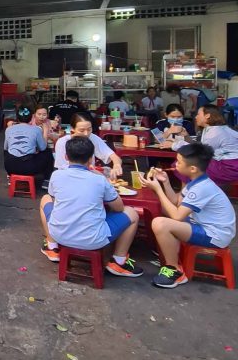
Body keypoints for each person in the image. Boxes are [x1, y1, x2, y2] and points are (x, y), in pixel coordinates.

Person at [39, 135, 141, 276]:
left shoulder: (56, 175)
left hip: (59, 234)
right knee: (132, 213)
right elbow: (119, 208)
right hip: (94, 240)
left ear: (66, 157)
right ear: (91, 158)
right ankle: (118, 261)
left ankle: (52, 246)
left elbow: (55, 200)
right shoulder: (100, 180)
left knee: (45, 199)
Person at [141, 142, 236, 289]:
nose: (176, 164)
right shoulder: (196, 182)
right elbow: (176, 203)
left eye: (179, 162)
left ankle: (174, 270)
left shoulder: (201, 188)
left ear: (192, 168)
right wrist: (165, 182)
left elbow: (177, 216)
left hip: (215, 234)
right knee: (165, 213)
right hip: (206, 226)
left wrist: (158, 190)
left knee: (160, 223)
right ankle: (172, 254)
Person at [54, 112, 123, 178]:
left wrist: (117, 165)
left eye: (89, 129)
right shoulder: (62, 142)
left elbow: (112, 156)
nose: (86, 133)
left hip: (90, 177)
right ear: (72, 128)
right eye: (81, 130)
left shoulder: (92, 138)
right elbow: (61, 168)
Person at [4, 106, 53, 185]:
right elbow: (43, 148)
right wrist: (46, 130)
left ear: (17, 117)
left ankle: (10, 177)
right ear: (31, 118)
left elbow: (6, 148)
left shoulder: (9, 129)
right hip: (29, 168)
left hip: (10, 166)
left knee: (7, 152)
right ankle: (46, 180)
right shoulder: (36, 129)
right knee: (47, 152)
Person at [195, 105, 238, 186]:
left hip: (229, 168)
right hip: (231, 166)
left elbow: (202, 152)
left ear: (207, 115)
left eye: (198, 114)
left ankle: (185, 194)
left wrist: (175, 144)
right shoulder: (219, 128)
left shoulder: (215, 132)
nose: (196, 117)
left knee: (189, 166)